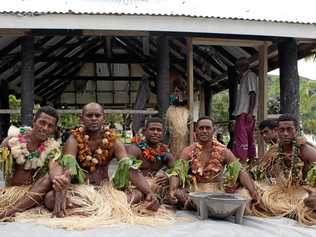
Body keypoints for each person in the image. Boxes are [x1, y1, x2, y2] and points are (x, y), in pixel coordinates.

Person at [50, 102, 160, 217]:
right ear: (81, 119)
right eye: (89, 115)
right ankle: (104, 208)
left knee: (139, 195)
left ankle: (91, 208)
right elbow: (68, 169)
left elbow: (129, 168)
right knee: (50, 199)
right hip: (80, 190)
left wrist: (149, 192)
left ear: (104, 118)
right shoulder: (73, 140)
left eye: (97, 115)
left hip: (105, 190)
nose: (94, 119)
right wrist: (61, 188)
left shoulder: (114, 141)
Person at [170, 117, 259, 208]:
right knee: (178, 195)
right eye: (201, 128)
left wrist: (252, 191)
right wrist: (173, 190)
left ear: (213, 130)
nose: (204, 131)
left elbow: (240, 172)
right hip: (194, 192)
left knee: (245, 196)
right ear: (196, 130)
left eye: (208, 128)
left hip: (218, 193)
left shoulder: (224, 151)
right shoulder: (188, 151)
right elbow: (177, 172)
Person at [0, 106, 67, 219]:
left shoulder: (53, 149)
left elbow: (54, 171)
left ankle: (11, 212)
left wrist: (60, 183)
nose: (45, 128)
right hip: (12, 194)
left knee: (50, 177)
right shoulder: (12, 140)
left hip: (35, 196)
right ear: (34, 120)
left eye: (50, 126)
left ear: (54, 129)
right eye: (42, 122)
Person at [251, 114, 316, 224]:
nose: (285, 133)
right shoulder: (274, 150)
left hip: (302, 193)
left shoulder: (305, 151)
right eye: (282, 130)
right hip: (281, 192)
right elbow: (258, 172)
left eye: (289, 129)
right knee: (251, 196)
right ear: (277, 131)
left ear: (296, 130)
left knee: (306, 209)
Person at [115, 117, 177, 211]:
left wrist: (168, 176)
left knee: (177, 194)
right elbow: (129, 170)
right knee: (137, 196)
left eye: (159, 130)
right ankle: (117, 207)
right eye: (152, 129)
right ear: (144, 131)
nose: (155, 132)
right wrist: (147, 191)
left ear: (163, 133)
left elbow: (176, 171)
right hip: (134, 186)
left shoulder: (166, 154)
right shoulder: (134, 149)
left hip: (154, 189)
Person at [232, 57, 258, 164]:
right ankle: (250, 165)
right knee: (248, 139)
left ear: (245, 65)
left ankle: (242, 166)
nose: (238, 68)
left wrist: (250, 112)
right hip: (244, 113)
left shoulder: (250, 75)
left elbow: (253, 93)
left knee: (241, 141)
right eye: (237, 66)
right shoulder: (243, 78)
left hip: (245, 113)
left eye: (239, 66)